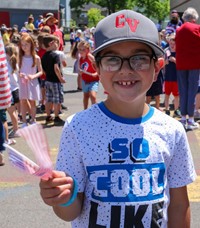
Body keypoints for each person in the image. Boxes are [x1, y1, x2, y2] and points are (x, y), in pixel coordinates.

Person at [40, 10, 196, 227]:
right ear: (97, 67)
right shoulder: (77, 127)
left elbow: (179, 205)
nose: (125, 70)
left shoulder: (172, 130)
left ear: (157, 67)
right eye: (112, 60)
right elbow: (70, 212)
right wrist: (61, 198)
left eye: (139, 59)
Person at [176, 7, 200, 130]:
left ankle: (183, 118)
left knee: (183, 90)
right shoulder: (197, 28)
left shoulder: (179, 30)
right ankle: (190, 119)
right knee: (192, 91)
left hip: (181, 64)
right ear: (193, 18)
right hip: (195, 64)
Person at [18, 34, 42, 127]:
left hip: (32, 82)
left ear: (31, 44)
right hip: (23, 82)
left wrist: (33, 76)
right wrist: (20, 74)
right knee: (23, 101)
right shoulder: (20, 57)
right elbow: (17, 70)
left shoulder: (36, 58)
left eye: (26, 44)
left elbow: (40, 72)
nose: (24, 47)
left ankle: (33, 119)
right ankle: (24, 121)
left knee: (32, 101)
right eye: (22, 45)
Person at [41, 34, 66, 125]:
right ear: (51, 43)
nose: (57, 45)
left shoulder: (43, 56)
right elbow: (56, 68)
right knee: (57, 99)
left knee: (48, 99)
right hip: (55, 81)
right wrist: (61, 78)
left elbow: (43, 69)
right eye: (56, 43)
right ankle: (56, 116)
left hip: (47, 80)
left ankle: (48, 116)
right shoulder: (55, 55)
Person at [78, 40, 99, 109]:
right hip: (85, 80)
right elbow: (81, 69)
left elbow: (98, 67)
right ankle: (85, 110)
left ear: (88, 50)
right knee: (86, 96)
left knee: (93, 96)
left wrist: (96, 73)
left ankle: (95, 111)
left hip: (93, 80)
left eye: (83, 49)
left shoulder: (90, 57)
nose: (81, 51)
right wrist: (81, 73)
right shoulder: (80, 58)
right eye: (80, 49)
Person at [164, 34, 181, 117]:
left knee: (176, 96)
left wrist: (175, 61)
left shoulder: (180, 52)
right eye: (171, 43)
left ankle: (176, 110)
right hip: (168, 77)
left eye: (174, 43)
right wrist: (165, 62)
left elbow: (182, 65)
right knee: (166, 95)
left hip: (177, 77)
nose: (172, 45)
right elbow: (162, 63)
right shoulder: (166, 51)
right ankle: (167, 110)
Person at [5, 44, 20, 137]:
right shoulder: (14, 63)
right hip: (15, 89)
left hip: (9, 90)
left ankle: (16, 129)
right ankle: (16, 127)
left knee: (11, 112)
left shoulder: (7, 64)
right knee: (14, 111)